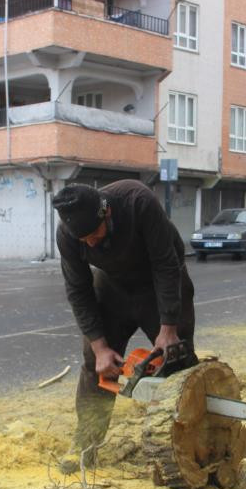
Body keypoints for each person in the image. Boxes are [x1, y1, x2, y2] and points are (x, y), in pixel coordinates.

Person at [54, 180, 195, 474]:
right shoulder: (69, 235)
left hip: (160, 282)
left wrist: (168, 328)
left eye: (93, 234)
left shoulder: (138, 201)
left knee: (177, 361)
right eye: (84, 240)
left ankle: (190, 444)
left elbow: (166, 264)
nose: (90, 243)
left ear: (106, 213)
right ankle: (85, 444)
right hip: (113, 284)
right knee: (95, 363)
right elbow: (78, 290)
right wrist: (100, 347)